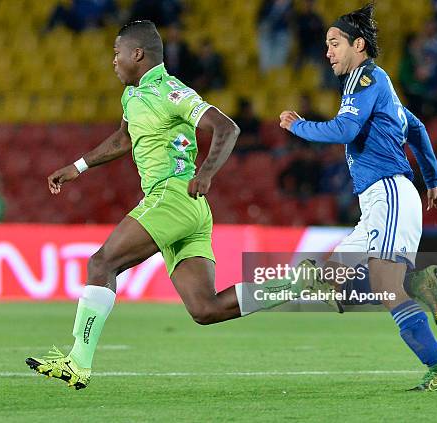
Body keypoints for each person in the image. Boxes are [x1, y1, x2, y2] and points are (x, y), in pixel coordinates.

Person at [25, 20, 335, 391]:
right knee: (205, 309)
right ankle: (294, 285)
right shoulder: (133, 95)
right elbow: (124, 139)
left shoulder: (171, 91)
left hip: (172, 196)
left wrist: (205, 172)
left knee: (101, 263)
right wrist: (78, 167)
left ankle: (78, 361)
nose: (113, 61)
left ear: (137, 54)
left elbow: (227, 127)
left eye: (116, 52)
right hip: (187, 209)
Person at [279, 4, 437, 391]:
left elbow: (345, 130)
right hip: (378, 200)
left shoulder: (366, 79)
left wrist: (299, 125)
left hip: (390, 192)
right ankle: (418, 286)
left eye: (334, 43)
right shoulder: (379, 85)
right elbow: (416, 127)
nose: (327, 51)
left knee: (384, 283)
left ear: (357, 44)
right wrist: (432, 178)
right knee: (330, 278)